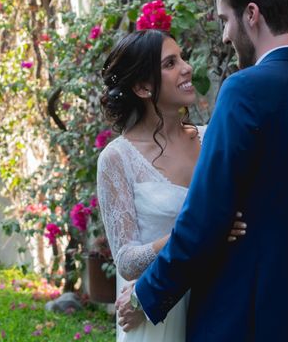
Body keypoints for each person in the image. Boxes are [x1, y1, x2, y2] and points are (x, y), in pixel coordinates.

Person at [116, 0, 288, 341]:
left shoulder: (244, 91)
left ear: (252, 14)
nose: (225, 36)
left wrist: (145, 294)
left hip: (239, 315)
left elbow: (205, 217)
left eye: (226, 20)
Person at [96, 29, 247, 341]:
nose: (187, 67)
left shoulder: (212, 139)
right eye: (170, 63)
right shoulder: (117, 159)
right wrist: (199, 230)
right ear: (142, 86)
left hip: (218, 301)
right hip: (154, 316)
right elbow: (126, 261)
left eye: (182, 58)